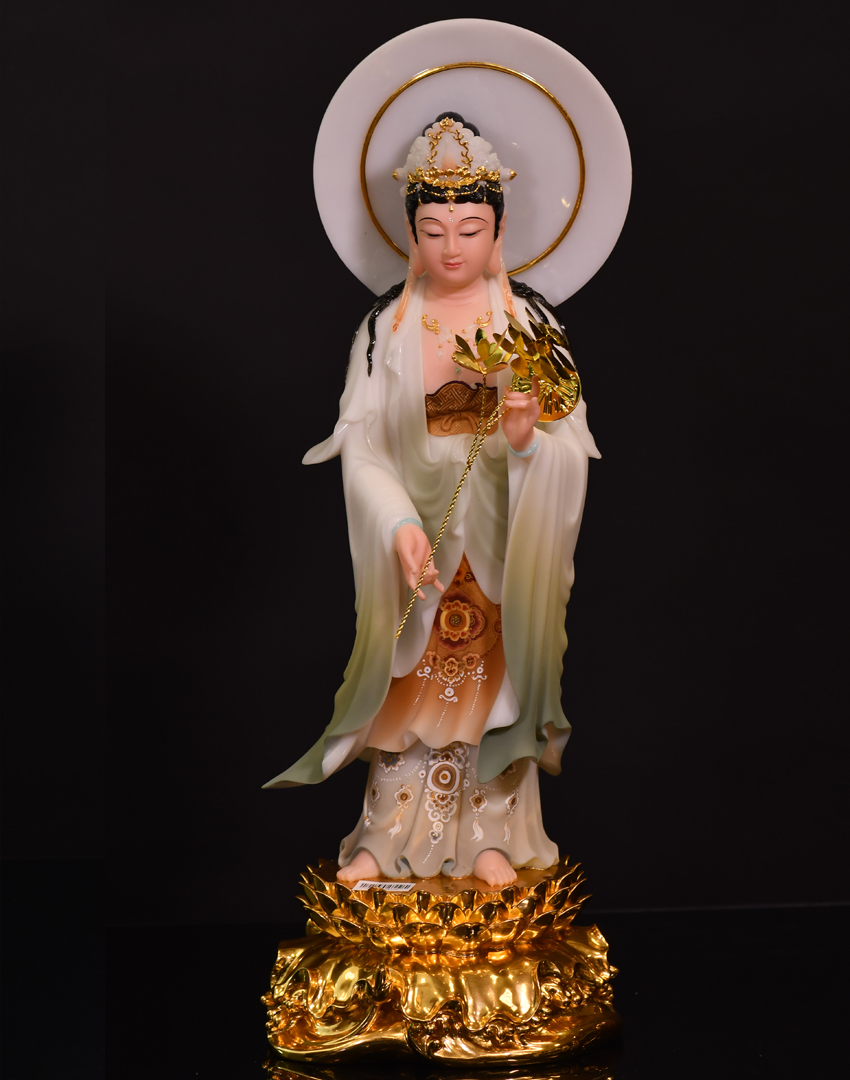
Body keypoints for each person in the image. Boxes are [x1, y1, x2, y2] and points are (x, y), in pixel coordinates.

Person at [263, 114, 600, 888]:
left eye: (471, 229)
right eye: (434, 230)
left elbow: (572, 444)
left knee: (492, 687)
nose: (453, 248)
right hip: (422, 536)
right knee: (409, 687)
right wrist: (396, 522)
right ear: (410, 233)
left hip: (502, 535)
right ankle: (386, 836)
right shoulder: (385, 329)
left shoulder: (530, 325)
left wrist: (526, 442)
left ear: (500, 229)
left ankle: (493, 835)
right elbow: (362, 448)